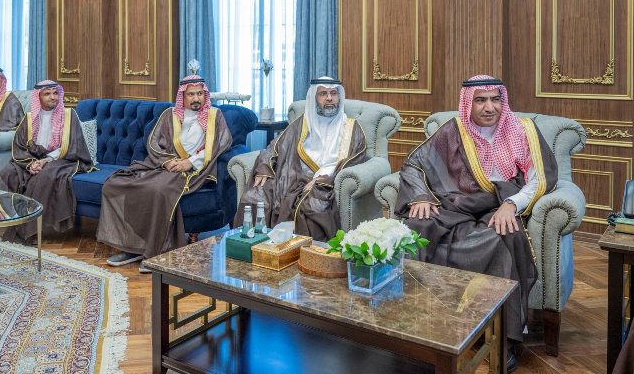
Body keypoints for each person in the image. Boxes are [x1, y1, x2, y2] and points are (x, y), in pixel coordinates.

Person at [395, 75, 559, 373]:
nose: (489, 107)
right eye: (480, 100)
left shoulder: (523, 130)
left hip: (499, 205)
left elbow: (539, 180)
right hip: (456, 203)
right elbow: (414, 164)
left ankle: (501, 338)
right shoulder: (453, 131)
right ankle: (418, 323)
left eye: (495, 99)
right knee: (416, 227)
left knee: (502, 237)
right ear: (467, 103)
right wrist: (420, 196)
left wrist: (511, 204)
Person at [98, 75, 233, 269]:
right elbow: (153, 143)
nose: (196, 98)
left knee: (159, 191)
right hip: (165, 166)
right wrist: (167, 162)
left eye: (200, 94)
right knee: (116, 184)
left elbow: (222, 144)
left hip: (193, 171)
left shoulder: (214, 115)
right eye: (191, 94)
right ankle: (132, 247)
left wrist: (190, 162)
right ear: (182, 96)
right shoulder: (170, 115)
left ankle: (156, 252)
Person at [234, 77, 367, 242]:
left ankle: (304, 253)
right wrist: (264, 165)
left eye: (333, 93)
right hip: (293, 176)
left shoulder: (352, 128)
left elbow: (356, 158)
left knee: (311, 206)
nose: (329, 98)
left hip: (326, 180)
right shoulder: (302, 123)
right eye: (323, 94)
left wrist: (323, 179)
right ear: (314, 98)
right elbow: (276, 146)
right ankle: (253, 247)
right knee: (256, 195)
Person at [0, 80, 93, 244]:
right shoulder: (29, 118)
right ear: (38, 97)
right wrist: (30, 164)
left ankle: (33, 230)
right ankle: (10, 223)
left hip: (61, 159)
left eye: (55, 93)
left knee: (44, 177)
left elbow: (72, 146)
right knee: (7, 173)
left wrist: (46, 161)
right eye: (47, 94)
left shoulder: (69, 116)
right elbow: (20, 146)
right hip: (32, 159)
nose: (53, 97)